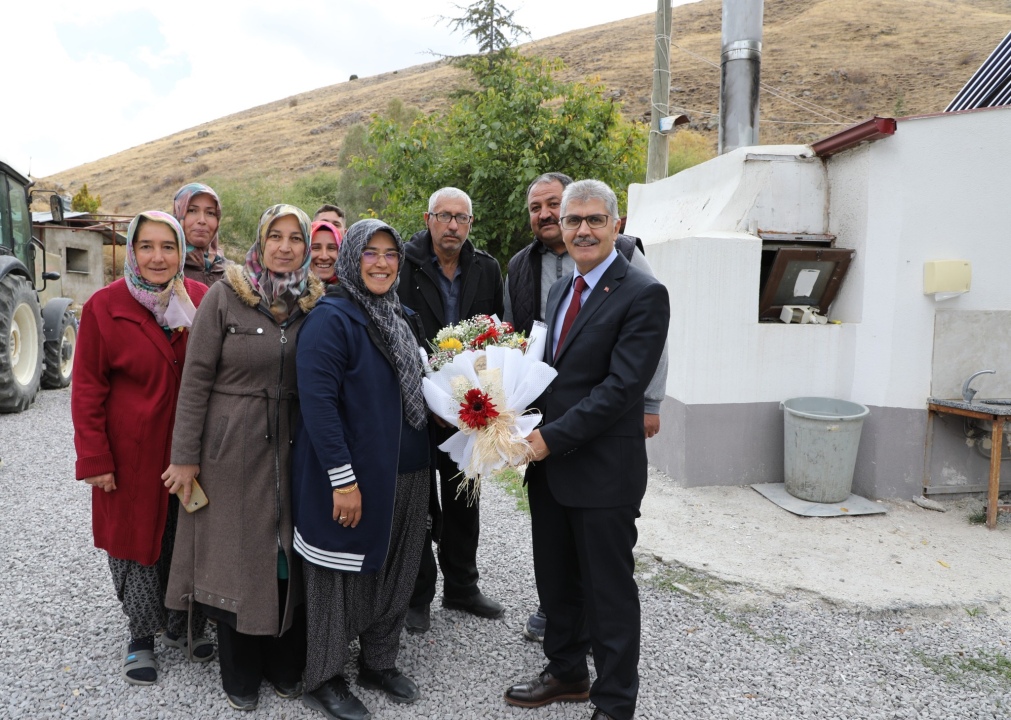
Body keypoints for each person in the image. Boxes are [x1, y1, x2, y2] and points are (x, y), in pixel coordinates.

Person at [503, 180, 670, 720]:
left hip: (602, 471)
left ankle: (616, 702)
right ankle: (567, 672)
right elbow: (549, 373)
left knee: (608, 593)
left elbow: (620, 390)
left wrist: (547, 438)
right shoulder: (560, 289)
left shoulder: (643, 293)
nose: (582, 230)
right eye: (573, 220)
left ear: (616, 225)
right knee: (556, 582)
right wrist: (507, 411)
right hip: (551, 472)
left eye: (595, 220)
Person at [162, 204, 324, 711]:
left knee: (285, 553)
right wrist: (185, 458)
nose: (284, 246)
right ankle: (240, 671)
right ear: (260, 240)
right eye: (274, 236)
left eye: (295, 238)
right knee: (237, 554)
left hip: (296, 444)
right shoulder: (225, 297)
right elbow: (194, 384)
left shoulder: (316, 303)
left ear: (305, 246)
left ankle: (284, 661)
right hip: (231, 448)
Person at [293, 219, 430, 720]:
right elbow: (319, 406)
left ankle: (378, 661)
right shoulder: (332, 317)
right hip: (356, 474)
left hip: (410, 471)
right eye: (369, 252)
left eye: (390, 253)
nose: (380, 262)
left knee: (397, 569)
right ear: (352, 258)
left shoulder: (400, 316)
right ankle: (323, 677)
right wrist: (342, 480)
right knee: (335, 574)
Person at [72, 211, 211, 686]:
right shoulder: (104, 306)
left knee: (186, 534)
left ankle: (184, 621)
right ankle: (140, 636)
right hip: (130, 453)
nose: (157, 257)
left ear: (181, 253)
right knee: (134, 543)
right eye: (147, 246)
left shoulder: (198, 300)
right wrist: (95, 458)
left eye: (167, 247)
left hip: (191, 447)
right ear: (131, 251)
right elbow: (87, 388)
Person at [395, 186, 505, 633]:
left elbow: (497, 335)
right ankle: (418, 595)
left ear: (470, 224)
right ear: (428, 219)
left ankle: (462, 587)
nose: (453, 225)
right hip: (419, 407)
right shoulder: (405, 263)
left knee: (464, 498)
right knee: (420, 501)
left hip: (470, 409)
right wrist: (429, 397)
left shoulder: (487, 268)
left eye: (461, 217)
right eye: (444, 216)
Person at [173, 182, 227, 287]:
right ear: (178, 215)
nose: (202, 220)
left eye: (210, 213)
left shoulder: (234, 274)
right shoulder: (166, 269)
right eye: (192, 211)